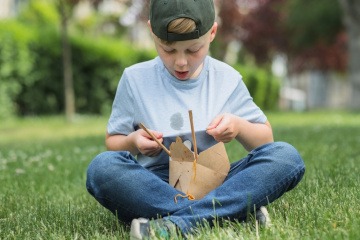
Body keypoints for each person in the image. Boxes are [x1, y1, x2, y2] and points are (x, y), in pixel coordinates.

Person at [86, 0, 305, 239]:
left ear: (212, 32)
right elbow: (113, 141)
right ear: (152, 32)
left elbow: (265, 141)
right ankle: (235, 212)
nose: (181, 62)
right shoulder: (134, 79)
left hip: (218, 180)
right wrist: (133, 141)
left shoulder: (227, 79)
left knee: (286, 157)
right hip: (155, 185)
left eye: (193, 50)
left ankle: (176, 223)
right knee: (102, 167)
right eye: (168, 50)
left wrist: (238, 127)